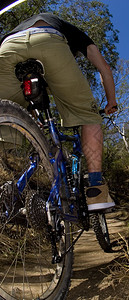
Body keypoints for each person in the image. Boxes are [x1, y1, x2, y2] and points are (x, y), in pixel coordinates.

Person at [0, 13, 117, 212]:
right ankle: (96, 190)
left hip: (6, 47)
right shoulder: (71, 30)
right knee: (89, 116)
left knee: (6, 116)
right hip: (48, 40)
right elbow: (104, 68)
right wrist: (111, 101)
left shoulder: (20, 25)